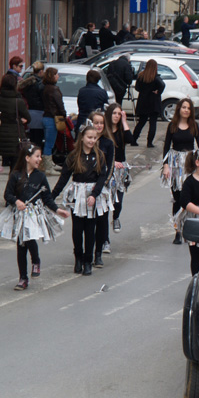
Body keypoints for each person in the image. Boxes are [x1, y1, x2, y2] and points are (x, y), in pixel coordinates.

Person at [0, 144, 69, 290]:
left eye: (40, 156)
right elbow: (7, 195)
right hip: (19, 214)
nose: (39, 159)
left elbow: (47, 198)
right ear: (27, 158)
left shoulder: (40, 176)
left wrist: (58, 210)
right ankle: (23, 278)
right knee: (21, 245)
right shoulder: (15, 176)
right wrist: (16, 201)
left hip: (34, 214)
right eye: (37, 156)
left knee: (30, 238)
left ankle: (36, 260)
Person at [52, 125, 111, 276]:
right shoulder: (73, 156)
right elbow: (64, 177)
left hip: (92, 195)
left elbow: (102, 177)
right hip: (77, 195)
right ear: (82, 138)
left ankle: (88, 261)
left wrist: (94, 194)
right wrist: (51, 197)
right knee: (77, 230)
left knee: (90, 229)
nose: (92, 140)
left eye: (94, 138)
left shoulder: (99, 155)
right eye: (89, 137)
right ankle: (78, 257)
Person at [162, 98, 199, 245]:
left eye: (189, 108)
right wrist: (166, 166)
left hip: (189, 165)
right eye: (184, 107)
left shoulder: (194, 126)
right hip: (175, 166)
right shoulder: (172, 126)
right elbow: (166, 147)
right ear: (179, 109)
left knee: (190, 198)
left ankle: (190, 228)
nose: (186, 110)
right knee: (178, 198)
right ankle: (178, 230)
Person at [88, 111, 115, 268]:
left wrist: (102, 184)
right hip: (86, 187)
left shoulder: (108, 143)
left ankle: (98, 253)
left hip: (102, 188)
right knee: (87, 223)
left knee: (102, 221)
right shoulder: (85, 141)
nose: (98, 126)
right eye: (96, 122)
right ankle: (86, 253)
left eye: (101, 123)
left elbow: (109, 166)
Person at [106, 103, 133, 233]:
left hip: (120, 170)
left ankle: (116, 218)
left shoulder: (122, 130)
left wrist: (124, 121)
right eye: (114, 113)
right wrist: (112, 162)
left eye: (118, 113)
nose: (116, 116)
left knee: (118, 201)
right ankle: (104, 238)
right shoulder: (104, 131)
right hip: (107, 169)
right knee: (106, 203)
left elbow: (130, 139)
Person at [0, 74, 30, 169]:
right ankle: (12, 183)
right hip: (15, 137)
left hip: (2, 135)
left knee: (9, 163)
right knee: (16, 167)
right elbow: (28, 117)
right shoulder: (18, 101)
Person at [132, 59, 166, 148]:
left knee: (141, 122)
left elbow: (137, 87)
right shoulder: (155, 77)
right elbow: (162, 85)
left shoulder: (141, 76)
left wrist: (143, 91)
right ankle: (149, 142)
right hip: (153, 102)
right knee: (153, 123)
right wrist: (158, 92)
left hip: (143, 101)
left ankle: (133, 139)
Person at [41, 68, 66, 174]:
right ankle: (48, 168)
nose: (58, 76)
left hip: (46, 117)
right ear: (52, 76)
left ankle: (48, 164)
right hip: (52, 118)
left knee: (48, 142)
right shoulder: (54, 90)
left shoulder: (45, 88)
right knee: (49, 144)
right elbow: (59, 104)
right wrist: (63, 114)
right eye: (56, 74)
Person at [18, 61, 46, 148]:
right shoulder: (40, 84)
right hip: (39, 112)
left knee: (32, 136)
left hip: (30, 112)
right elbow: (42, 98)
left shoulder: (28, 82)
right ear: (41, 71)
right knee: (38, 137)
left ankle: (31, 153)